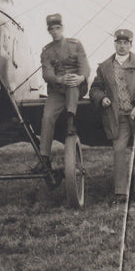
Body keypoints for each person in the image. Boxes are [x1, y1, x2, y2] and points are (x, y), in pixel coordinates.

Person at [90, 29, 135, 205]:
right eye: (119, 43)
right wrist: (102, 98)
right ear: (114, 44)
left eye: (125, 43)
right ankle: (120, 192)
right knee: (119, 150)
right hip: (118, 116)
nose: (122, 46)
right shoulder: (105, 67)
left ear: (131, 44)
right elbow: (95, 88)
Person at [34, 13, 90, 174]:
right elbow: (47, 74)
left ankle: (70, 120)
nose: (55, 31)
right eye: (52, 29)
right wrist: (60, 79)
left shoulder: (75, 45)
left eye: (58, 28)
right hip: (57, 90)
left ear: (62, 28)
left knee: (72, 83)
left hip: (77, 86)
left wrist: (80, 78)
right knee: (47, 116)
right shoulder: (46, 51)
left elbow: (85, 66)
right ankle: (44, 157)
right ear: (49, 31)